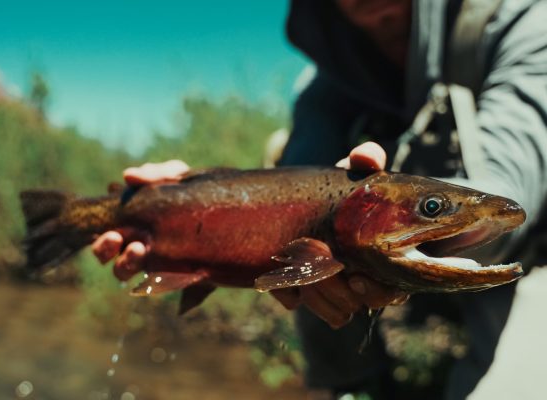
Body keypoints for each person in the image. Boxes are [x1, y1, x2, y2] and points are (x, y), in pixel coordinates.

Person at [92, 0, 547, 398]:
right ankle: (353, 383)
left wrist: (424, 226)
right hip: (370, 247)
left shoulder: (524, 24)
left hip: (524, 261)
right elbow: (291, 183)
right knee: (298, 181)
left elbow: (511, 191)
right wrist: (181, 201)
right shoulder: (328, 80)